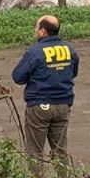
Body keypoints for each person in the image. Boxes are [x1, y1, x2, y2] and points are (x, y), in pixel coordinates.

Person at [11, 15, 79, 166]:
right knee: (60, 151)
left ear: (43, 31)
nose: (35, 30)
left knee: (35, 152)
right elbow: (73, 72)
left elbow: (18, 76)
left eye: (37, 27)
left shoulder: (35, 51)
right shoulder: (70, 49)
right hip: (63, 105)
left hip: (39, 105)